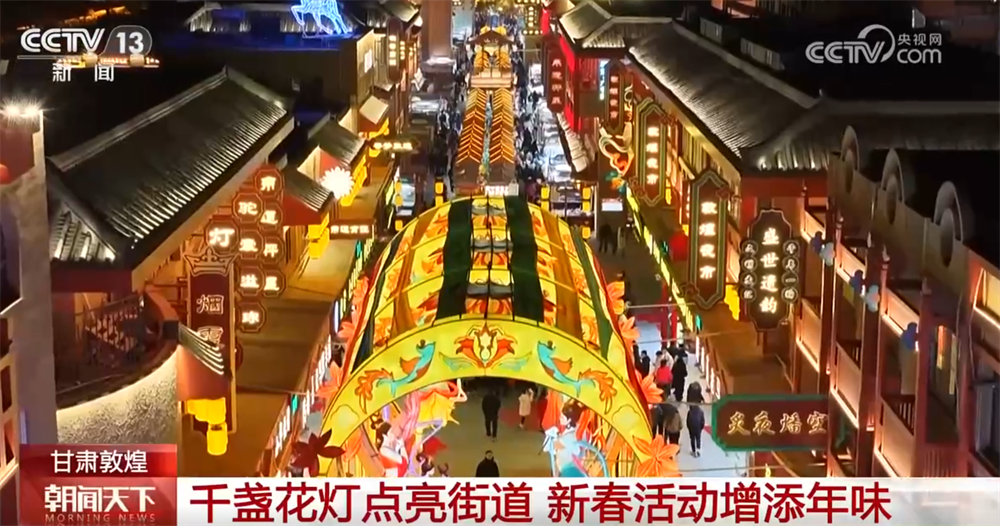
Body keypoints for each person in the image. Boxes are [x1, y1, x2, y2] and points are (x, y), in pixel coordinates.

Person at [686, 384, 706, 457]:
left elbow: (688, 422)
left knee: (692, 439)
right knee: (698, 438)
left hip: (692, 428)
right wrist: (701, 428)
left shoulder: (690, 412)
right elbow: (702, 422)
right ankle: (698, 450)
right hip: (698, 428)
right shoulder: (701, 412)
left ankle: (693, 451)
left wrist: (689, 428)